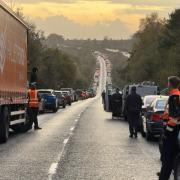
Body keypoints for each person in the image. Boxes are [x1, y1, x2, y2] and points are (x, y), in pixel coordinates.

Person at [158, 76, 180, 180]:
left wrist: (167, 132)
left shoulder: (174, 96)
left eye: (168, 83)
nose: (167, 85)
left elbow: (174, 118)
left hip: (172, 131)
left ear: (170, 84)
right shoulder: (175, 95)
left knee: (167, 157)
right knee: (169, 157)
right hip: (174, 131)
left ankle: (163, 177)